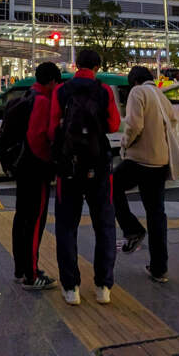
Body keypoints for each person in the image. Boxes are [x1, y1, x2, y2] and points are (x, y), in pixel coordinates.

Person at [48, 48, 121, 305]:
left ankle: (71, 289)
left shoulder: (61, 91)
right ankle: (103, 287)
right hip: (99, 164)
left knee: (67, 226)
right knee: (105, 225)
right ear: (97, 66)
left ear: (76, 64)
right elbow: (114, 125)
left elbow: (51, 127)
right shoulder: (104, 91)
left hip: (69, 167)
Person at [114, 66, 179, 283]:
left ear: (134, 80)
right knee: (156, 214)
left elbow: (134, 124)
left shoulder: (138, 92)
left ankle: (132, 229)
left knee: (111, 186)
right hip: (160, 162)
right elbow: (173, 125)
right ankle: (159, 268)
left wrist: (125, 144)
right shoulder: (161, 96)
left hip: (140, 159)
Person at [11, 61, 62, 290]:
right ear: (51, 81)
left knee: (21, 217)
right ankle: (31, 275)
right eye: (56, 82)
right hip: (35, 169)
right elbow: (37, 138)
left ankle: (21, 268)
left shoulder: (27, 96)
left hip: (21, 167)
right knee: (34, 221)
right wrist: (50, 162)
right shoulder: (42, 101)